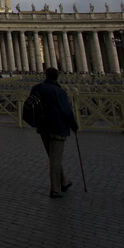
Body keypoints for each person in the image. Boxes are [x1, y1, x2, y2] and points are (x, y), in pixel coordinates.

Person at [29, 67, 78, 198]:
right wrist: (74, 126)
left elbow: (30, 104)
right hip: (57, 128)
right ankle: (55, 189)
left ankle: (64, 182)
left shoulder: (37, 88)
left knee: (53, 157)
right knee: (55, 159)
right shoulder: (59, 91)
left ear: (45, 75)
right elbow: (66, 111)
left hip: (43, 127)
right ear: (57, 77)